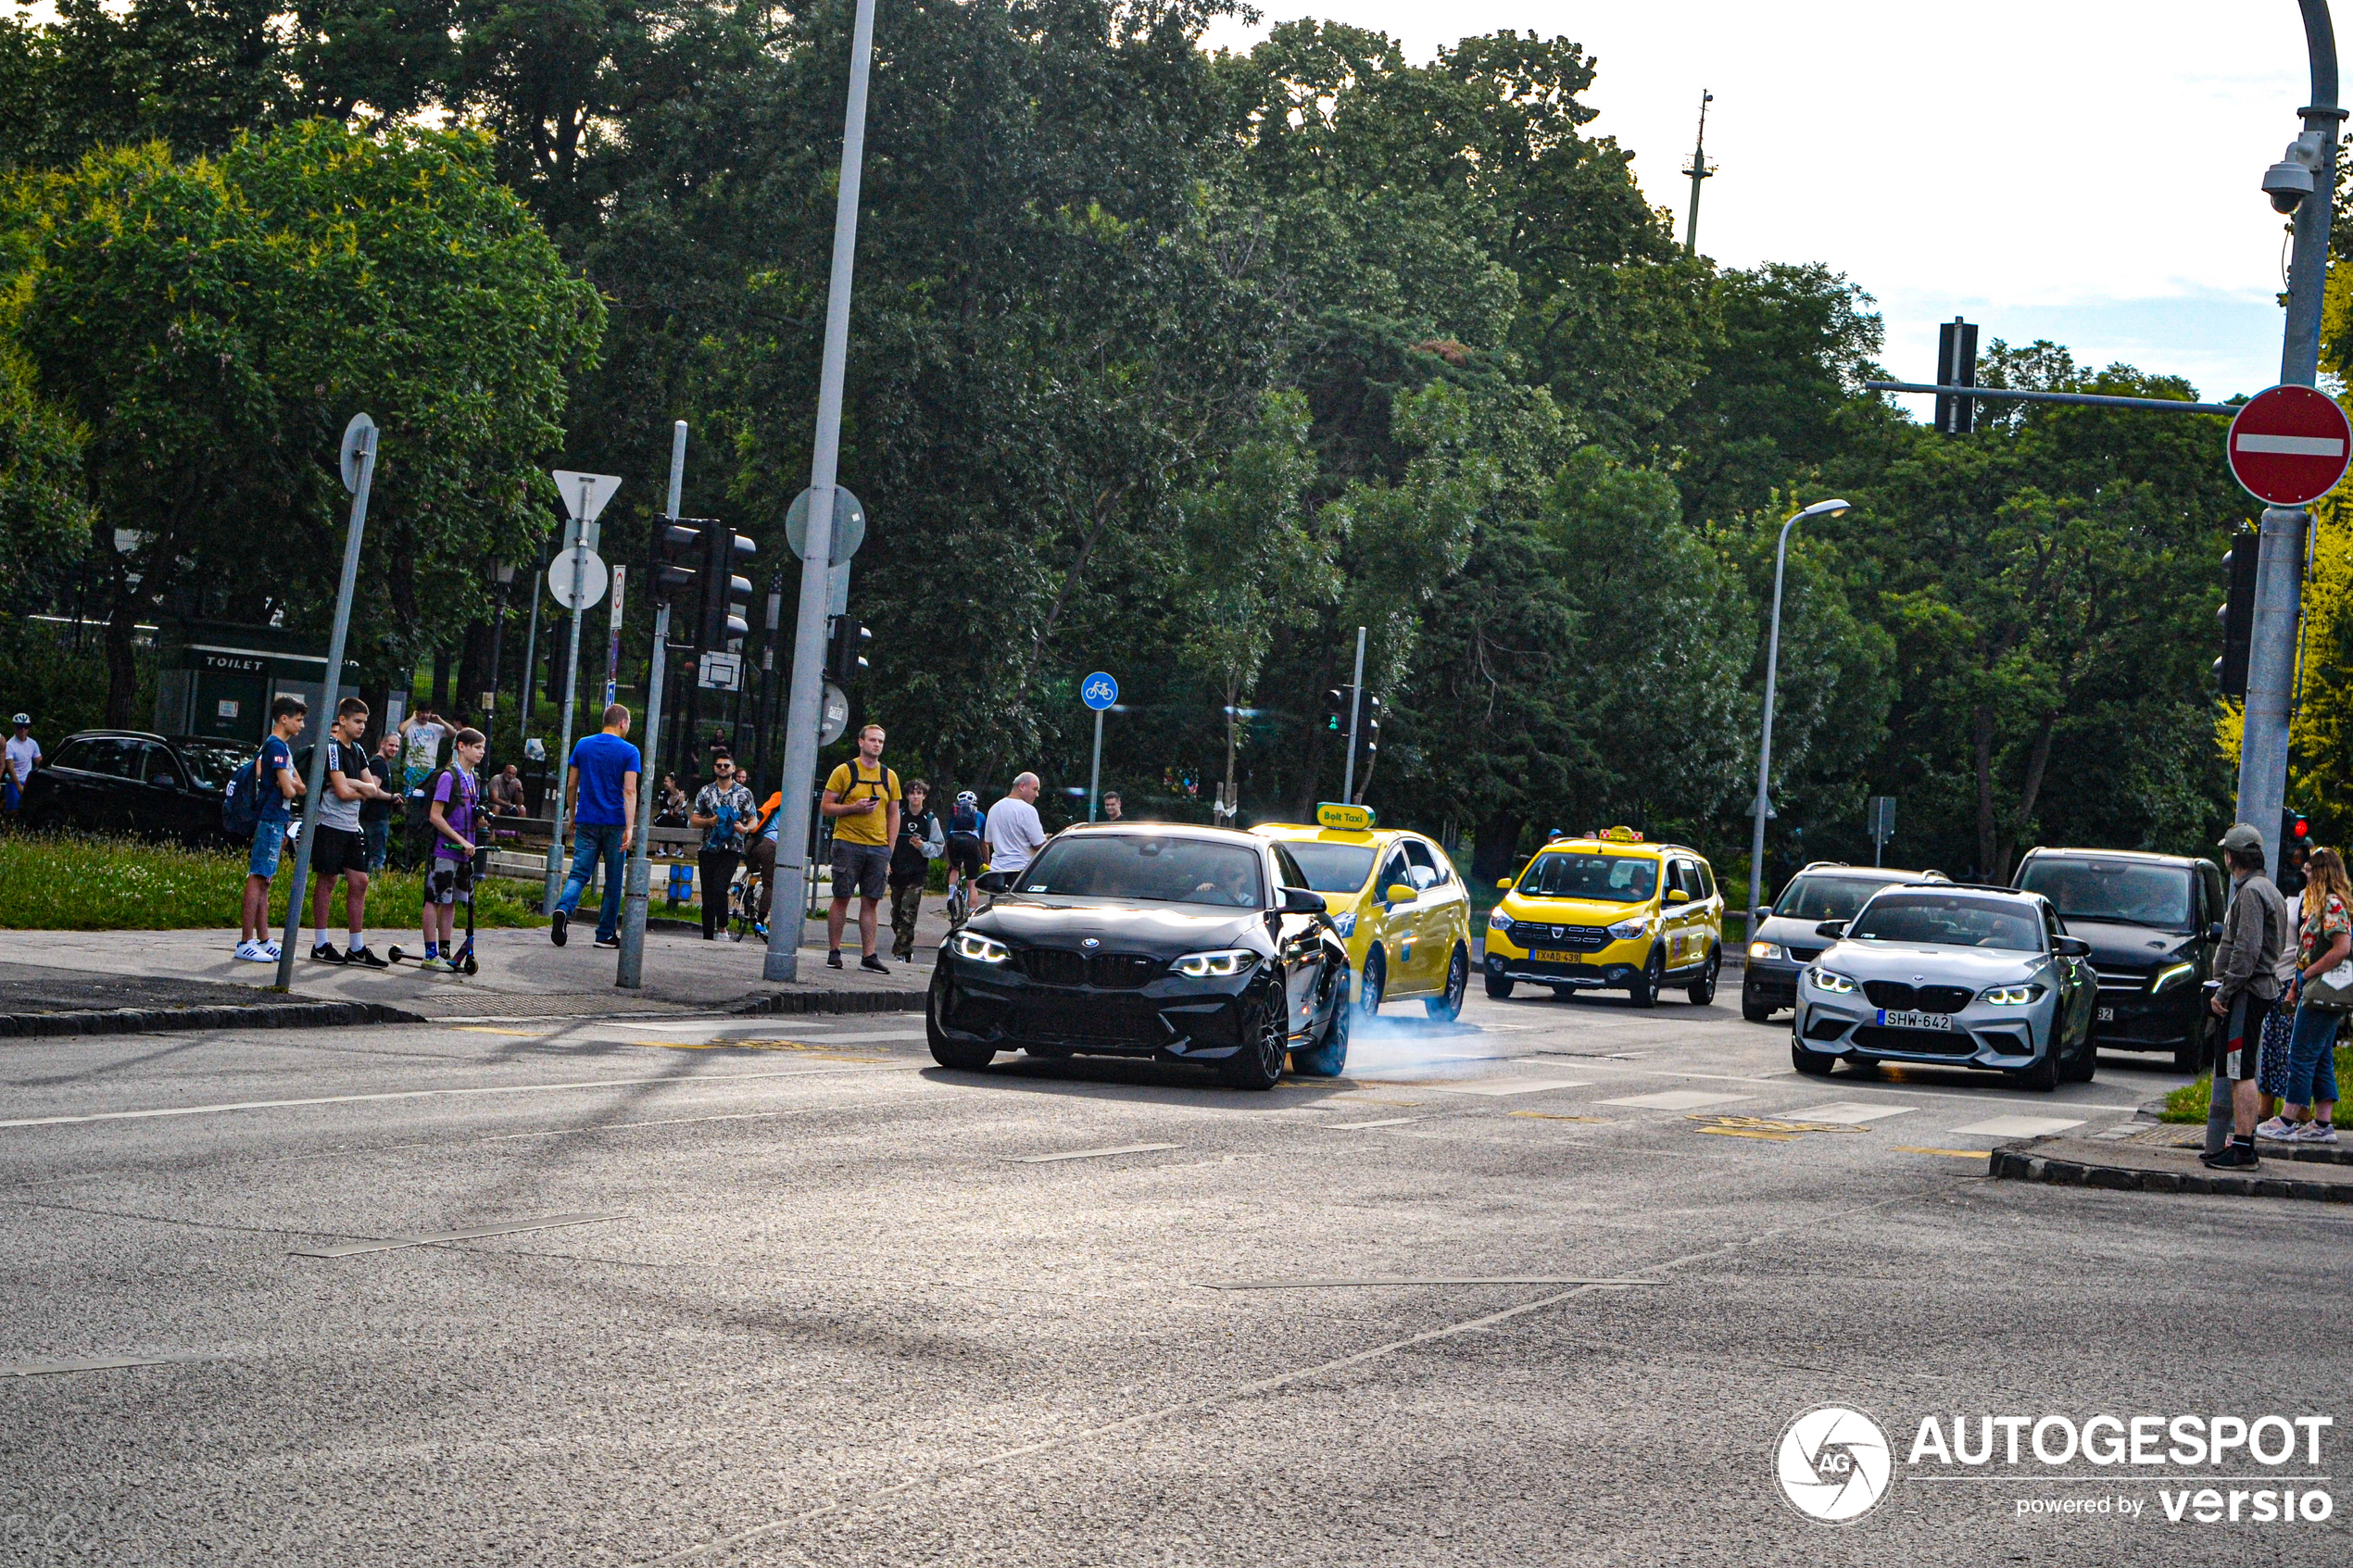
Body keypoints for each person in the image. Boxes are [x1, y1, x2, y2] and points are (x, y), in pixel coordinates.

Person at [2204, 823, 2287, 1169]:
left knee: (2241, 1069)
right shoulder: (2268, 888)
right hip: (2258, 988)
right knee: (2241, 1066)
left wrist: (2225, 990)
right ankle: (2241, 1142)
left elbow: (2246, 949)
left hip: (2247, 991)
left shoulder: (2251, 892)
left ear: (2230, 856)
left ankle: (2242, 1147)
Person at [2259, 846, 2349, 1145]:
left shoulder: (2333, 904)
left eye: (2309, 871)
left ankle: (2287, 1119)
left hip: (2323, 991)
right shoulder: (2323, 903)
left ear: (2321, 872)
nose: (2305, 876)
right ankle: (2323, 1123)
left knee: (2299, 1054)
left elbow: (2341, 948)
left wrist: (2309, 974)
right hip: (2314, 989)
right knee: (2320, 1056)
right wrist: (2299, 982)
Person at [307, 698, 393, 967]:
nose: (362, 727)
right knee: (328, 880)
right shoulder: (333, 748)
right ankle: (320, 943)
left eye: (364, 722)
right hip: (330, 822)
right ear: (342, 720)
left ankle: (356, 947)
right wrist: (357, 788)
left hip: (351, 824)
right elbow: (341, 792)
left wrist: (354, 784)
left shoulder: (358, 750)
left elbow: (372, 790)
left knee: (360, 881)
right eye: (357, 721)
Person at [550, 704, 641, 948]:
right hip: (615, 822)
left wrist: (572, 815)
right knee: (612, 880)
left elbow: (571, 785)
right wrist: (630, 827)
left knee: (579, 873)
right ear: (622, 722)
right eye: (629, 722)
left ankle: (563, 909)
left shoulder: (583, 745)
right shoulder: (630, 751)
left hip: (587, 819)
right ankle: (605, 934)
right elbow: (629, 791)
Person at [821, 723, 900, 971]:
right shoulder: (844, 772)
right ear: (861, 742)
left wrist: (890, 848)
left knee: (872, 901)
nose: (877, 745)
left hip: (877, 847)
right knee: (842, 896)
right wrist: (853, 808)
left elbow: (894, 813)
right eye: (873, 740)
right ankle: (835, 951)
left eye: (881, 741)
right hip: (848, 843)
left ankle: (869, 955)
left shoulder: (889, 776)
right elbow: (826, 807)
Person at [236, 696, 307, 962]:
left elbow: (299, 785)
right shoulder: (276, 746)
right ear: (284, 719)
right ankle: (246, 941)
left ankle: (264, 938)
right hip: (270, 816)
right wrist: (289, 785)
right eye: (298, 720)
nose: (301, 725)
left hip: (278, 816)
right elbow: (291, 788)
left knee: (266, 879)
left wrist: (291, 785)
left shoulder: (284, 749)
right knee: (257, 876)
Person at [419, 728, 486, 972]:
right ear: (462, 746)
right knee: (435, 898)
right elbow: (435, 816)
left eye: (482, 747)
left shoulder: (473, 779)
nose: (482, 752)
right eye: (477, 747)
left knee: (452, 901)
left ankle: (445, 950)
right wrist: (461, 839)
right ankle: (430, 952)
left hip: (464, 850)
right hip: (446, 848)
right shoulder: (449, 777)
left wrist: (479, 822)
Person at [690, 751, 756, 940]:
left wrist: (744, 829)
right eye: (719, 765)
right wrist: (710, 821)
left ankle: (723, 928)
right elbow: (694, 818)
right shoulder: (706, 791)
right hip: (709, 848)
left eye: (726, 765)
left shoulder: (744, 793)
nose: (722, 768)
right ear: (714, 768)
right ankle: (707, 937)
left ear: (733, 768)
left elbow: (753, 819)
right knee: (708, 894)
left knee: (720, 887)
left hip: (732, 849)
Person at [888, 779, 944, 961]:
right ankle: (906, 946)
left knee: (908, 914)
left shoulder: (929, 819)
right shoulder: (899, 815)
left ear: (924, 796)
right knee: (896, 916)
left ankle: (901, 953)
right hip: (896, 872)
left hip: (916, 873)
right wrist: (886, 861)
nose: (915, 796)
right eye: (912, 793)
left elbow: (938, 846)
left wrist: (923, 846)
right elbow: (887, 839)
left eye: (919, 793)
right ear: (907, 796)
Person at [984, 771, 1048, 878]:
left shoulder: (994, 808)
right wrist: (1046, 840)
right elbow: (1039, 845)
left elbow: (989, 841)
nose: (1037, 794)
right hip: (1021, 872)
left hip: (997, 872)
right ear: (1022, 786)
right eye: (1034, 789)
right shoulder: (1027, 810)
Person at [359, 731, 401, 872]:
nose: (394, 749)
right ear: (382, 744)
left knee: (366, 854)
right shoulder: (379, 764)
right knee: (377, 856)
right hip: (375, 817)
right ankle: (373, 886)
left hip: (370, 816)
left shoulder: (379, 763)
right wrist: (392, 797)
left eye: (397, 746)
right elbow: (374, 790)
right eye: (391, 745)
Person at [944, 789, 985, 908]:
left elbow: (947, 838)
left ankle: (951, 896)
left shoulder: (954, 815)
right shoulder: (979, 815)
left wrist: (949, 860)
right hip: (971, 843)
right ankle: (971, 914)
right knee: (972, 884)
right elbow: (983, 842)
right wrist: (986, 861)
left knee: (955, 869)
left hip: (954, 841)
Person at [4, 713, 39, 820]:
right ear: (15, 727)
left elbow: (39, 761)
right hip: (14, 782)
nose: (23, 730)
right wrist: (18, 786)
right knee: (13, 812)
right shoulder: (9, 745)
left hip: (28, 781)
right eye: (20, 727)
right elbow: (10, 768)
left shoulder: (32, 743)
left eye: (26, 727)